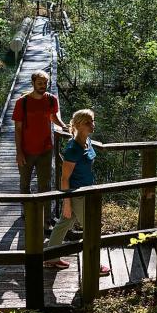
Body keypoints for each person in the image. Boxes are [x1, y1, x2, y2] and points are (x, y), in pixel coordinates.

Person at [43, 109, 110, 276]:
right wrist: (67, 202)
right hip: (77, 195)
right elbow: (64, 178)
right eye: (88, 122)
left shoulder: (87, 140)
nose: (92, 125)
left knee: (63, 224)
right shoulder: (72, 148)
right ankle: (94, 265)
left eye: (93, 121)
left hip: (86, 191)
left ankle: (51, 257)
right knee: (91, 227)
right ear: (79, 125)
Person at [13, 70, 67, 197]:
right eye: (39, 83)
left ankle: (45, 215)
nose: (43, 85)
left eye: (45, 83)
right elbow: (18, 129)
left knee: (45, 186)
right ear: (33, 83)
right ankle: (27, 214)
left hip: (45, 150)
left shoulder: (52, 99)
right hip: (26, 151)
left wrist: (63, 126)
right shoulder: (22, 102)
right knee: (25, 185)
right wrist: (19, 152)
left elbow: (52, 117)